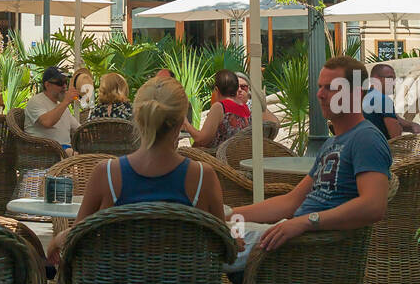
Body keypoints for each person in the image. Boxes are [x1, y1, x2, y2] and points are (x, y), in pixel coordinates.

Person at [228, 55, 392, 271]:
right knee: (213, 224)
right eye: (319, 87)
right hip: (287, 235)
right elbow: (291, 202)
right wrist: (230, 214)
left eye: (331, 88)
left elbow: (374, 206)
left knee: (200, 237)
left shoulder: (366, 138)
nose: (320, 95)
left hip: (306, 248)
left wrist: (306, 222)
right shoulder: (331, 143)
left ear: (357, 93)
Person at [47, 77, 226, 263]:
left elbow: (75, 239)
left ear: (138, 118)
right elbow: (223, 246)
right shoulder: (203, 177)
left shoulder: (106, 174)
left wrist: (58, 240)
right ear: (182, 122)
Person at [189, 70, 251, 150]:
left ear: (216, 90)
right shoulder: (244, 107)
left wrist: (186, 124)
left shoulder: (220, 107)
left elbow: (202, 139)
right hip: (238, 154)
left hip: (216, 158)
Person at [24, 67, 81, 148]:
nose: (64, 86)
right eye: (60, 83)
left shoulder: (61, 106)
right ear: (47, 85)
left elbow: (79, 130)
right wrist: (66, 102)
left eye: (66, 82)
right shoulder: (36, 101)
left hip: (65, 151)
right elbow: (47, 122)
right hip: (45, 152)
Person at [361, 63, 404, 141]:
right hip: (381, 149)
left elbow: (395, 118)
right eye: (390, 78)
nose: (393, 83)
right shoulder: (383, 100)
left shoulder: (365, 97)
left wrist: (412, 125)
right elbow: (396, 137)